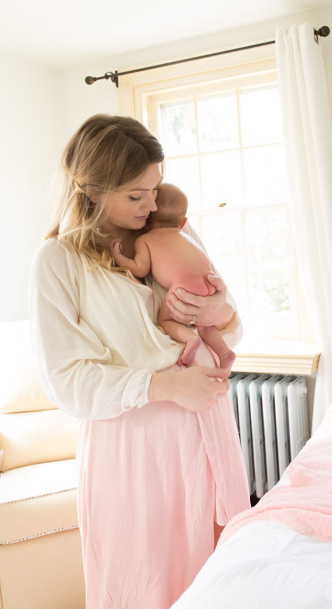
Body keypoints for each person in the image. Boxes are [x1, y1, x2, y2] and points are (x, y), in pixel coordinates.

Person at [28, 114, 250, 609]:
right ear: (91, 189)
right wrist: (166, 387)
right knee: (145, 583)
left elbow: (232, 323)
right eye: (135, 195)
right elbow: (66, 380)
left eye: (155, 187)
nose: (151, 204)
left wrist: (222, 310)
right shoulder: (59, 261)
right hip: (134, 448)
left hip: (208, 429)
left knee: (223, 575)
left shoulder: (171, 233)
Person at [111, 182, 236, 370]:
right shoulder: (187, 238)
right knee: (204, 322)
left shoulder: (145, 239)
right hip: (209, 284)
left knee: (166, 319)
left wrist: (119, 257)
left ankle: (191, 339)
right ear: (183, 223)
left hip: (183, 288)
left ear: (147, 220)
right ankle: (224, 352)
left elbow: (139, 269)